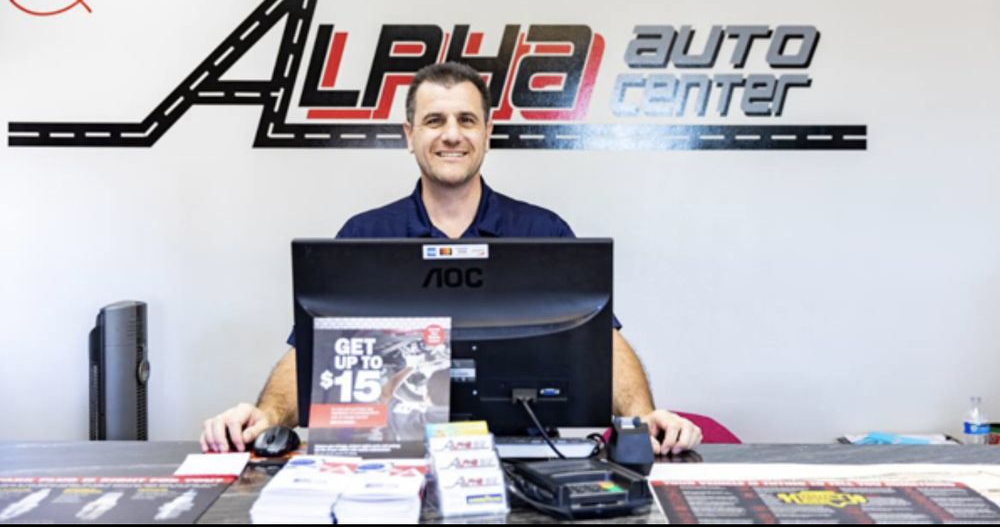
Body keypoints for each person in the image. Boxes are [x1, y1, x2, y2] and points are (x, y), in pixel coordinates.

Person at [201, 62, 703, 456]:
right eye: (434, 120)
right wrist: (268, 416)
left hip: (528, 458)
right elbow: (314, 349)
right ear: (409, 135)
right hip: (392, 461)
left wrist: (641, 419)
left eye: (466, 120)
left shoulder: (543, 233)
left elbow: (601, 340)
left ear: (487, 131)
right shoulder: (364, 236)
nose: (451, 135)